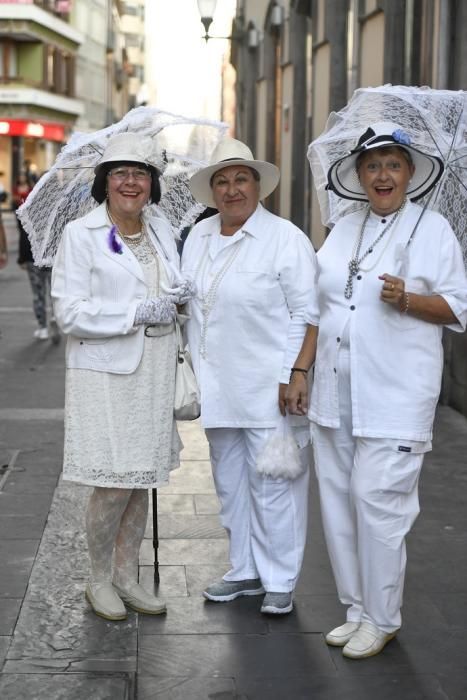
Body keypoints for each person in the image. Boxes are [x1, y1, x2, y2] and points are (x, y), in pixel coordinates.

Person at [286, 121, 467, 657]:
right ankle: (357, 609)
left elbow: (458, 307)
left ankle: (383, 617)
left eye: (392, 164)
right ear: (359, 176)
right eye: (372, 166)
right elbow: (321, 306)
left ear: (410, 172)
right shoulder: (344, 227)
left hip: (394, 395)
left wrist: (408, 298)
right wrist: (301, 370)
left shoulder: (431, 229)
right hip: (335, 393)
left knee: (379, 504)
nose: (381, 174)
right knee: (339, 504)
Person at [51, 132, 195, 621]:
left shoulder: (160, 228)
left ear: (152, 184)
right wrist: (137, 312)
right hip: (106, 375)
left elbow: (168, 292)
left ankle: (127, 575)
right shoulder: (81, 234)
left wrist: (178, 295)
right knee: (112, 482)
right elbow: (69, 313)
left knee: (140, 480)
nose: (131, 182)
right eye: (121, 174)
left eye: (140, 174)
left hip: (153, 370)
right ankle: (98, 579)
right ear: (105, 183)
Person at [182, 137, 319, 615]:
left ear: (257, 185)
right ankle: (243, 570)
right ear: (212, 190)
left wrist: (296, 373)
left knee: (275, 483)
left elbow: (308, 314)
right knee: (230, 483)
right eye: (222, 180)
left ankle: (280, 578)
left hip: (269, 387)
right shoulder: (198, 238)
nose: (231, 188)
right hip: (217, 386)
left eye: (241, 178)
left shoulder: (286, 238)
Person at [13, 173, 53, 340]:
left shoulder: (27, 207)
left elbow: (24, 235)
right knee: (54, 290)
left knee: (38, 293)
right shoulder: (53, 207)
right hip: (50, 256)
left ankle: (43, 327)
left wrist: (22, 258)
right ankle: (56, 316)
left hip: (32, 256)